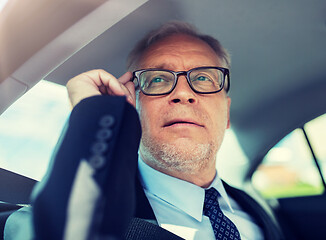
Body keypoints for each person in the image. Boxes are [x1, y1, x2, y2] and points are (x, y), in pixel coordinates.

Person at [4, 21, 284, 240]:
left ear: (226, 113)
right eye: (159, 79)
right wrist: (94, 114)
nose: (184, 93)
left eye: (202, 77)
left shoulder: (259, 210)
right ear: (133, 105)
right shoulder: (88, 213)